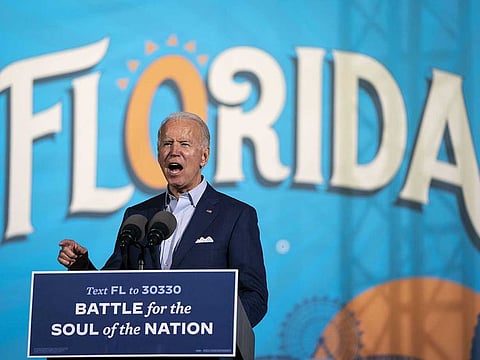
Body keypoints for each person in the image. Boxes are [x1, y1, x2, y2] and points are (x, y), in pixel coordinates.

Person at [57, 111, 268, 328]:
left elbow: (254, 295)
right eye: (167, 144)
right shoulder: (137, 217)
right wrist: (81, 266)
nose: (174, 151)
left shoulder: (235, 216)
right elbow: (112, 291)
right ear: (158, 154)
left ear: (204, 156)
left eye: (184, 144)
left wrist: (218, 329)